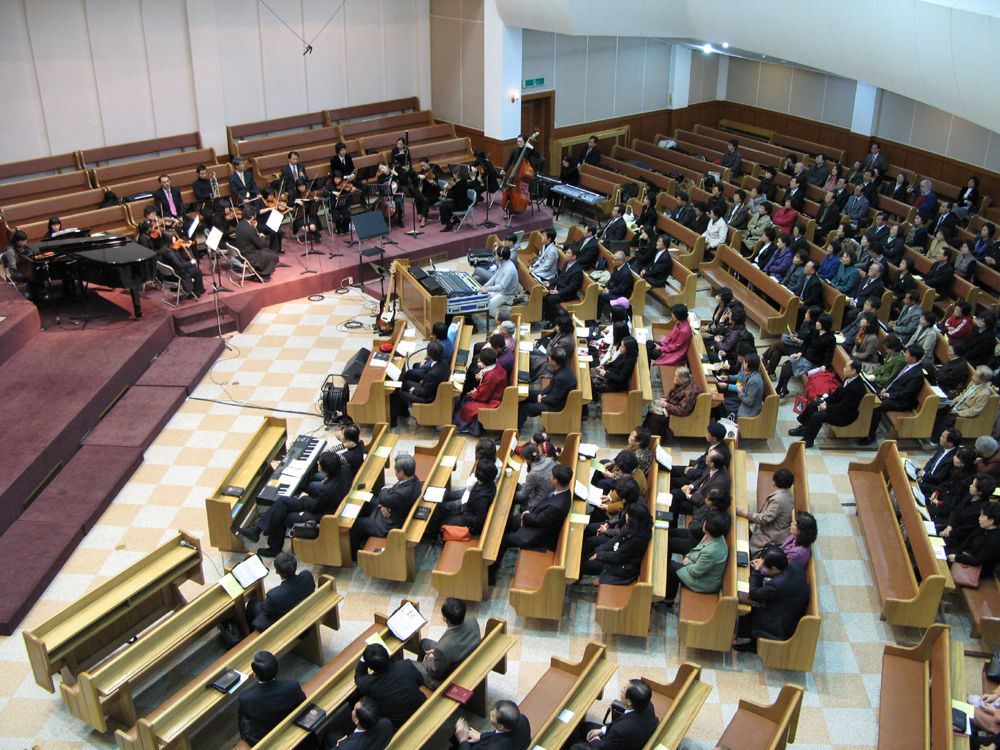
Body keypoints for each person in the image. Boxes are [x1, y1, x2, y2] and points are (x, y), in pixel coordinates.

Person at [239, 452, 351, 555]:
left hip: (320, 515)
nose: (318, 464)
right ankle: (257, 530)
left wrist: (304, 497)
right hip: (328, 504)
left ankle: (274, 549)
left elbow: (313, 507)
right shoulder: (344, 470)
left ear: (325, 470)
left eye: (319, 463)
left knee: (283, 516)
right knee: (283, 502)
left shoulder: (326, 490)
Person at [491, 463, 573, 583]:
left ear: (555, 481)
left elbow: (539, 521)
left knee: (503, 540)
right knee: (507, 521)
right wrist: (528, 512)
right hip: (533, 520)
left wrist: (526, 515)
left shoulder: (558, 506)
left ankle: (490, 576)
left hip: (536, 534)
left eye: (552, 475)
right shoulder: (563, 492)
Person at [734, 547, 810, 653]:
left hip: (784, 618)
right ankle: (744, 635)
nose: (764, 568)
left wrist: (757, 570)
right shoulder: (796, 566)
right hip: (793, 605)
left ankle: (754, 645)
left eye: (765, 566)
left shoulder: (777, 584)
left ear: (774, 569)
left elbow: (754, 593)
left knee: (752, 607)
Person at [349, 455, 423, 555]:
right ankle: (364, 534)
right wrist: (384, 504)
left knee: (353, 524)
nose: (395, 472)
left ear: (401, 472)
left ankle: (355, 555)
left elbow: (383, 497)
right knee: (364, 506)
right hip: (390, 509)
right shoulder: (414, 479)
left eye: (395, 469)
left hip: (386, 524)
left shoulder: (402, 493)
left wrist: (385, 488)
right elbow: (385, 499)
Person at [789, 359, 867, 448]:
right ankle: (804, 428)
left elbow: (844, 407)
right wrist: (825, 402)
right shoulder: (849, 378)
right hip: (837, 407)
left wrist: (826, 408)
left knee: (818, 416)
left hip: (845, 415)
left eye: (846, 367)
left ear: (853, 371)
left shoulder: (857, 388)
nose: (844, 369)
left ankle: (808, 440)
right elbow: (836, 393)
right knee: (814, 404)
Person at [859, 344, 927, 445]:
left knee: (876, 406)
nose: (905, 355)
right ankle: (861, 427)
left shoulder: (918, 375)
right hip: (890, 392)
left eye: (907, 354)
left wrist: (889, 395)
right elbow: (893, 378)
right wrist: (885, 387)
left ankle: (871, 436)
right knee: (867, 395)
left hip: (901, 402)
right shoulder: (905, 364)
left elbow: (906, 393)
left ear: (913, 358)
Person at [237, 651, 306, 746]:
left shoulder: (246, 697)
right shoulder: (292, 686)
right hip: (289, 726)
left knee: (243, 711)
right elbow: (302, 702)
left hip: (262, 739)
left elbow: (247, 717)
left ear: (255, 675)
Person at [663, 510, 730, 606]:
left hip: (703, 582)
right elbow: (697, 548)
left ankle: (668, 599)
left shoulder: (710, 552)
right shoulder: (713, 536)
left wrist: (688, 562)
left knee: (671, 567)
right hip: (698, 566)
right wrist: (688, 556)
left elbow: (695, 572)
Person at [353, 643, 426, 729]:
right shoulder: (405, 665)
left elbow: (359, 677)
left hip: (401, 725)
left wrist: (363, 659)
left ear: (370, 667)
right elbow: (420, 681)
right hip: (424, 708)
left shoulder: (369, 685)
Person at [415, 597, 482, 689]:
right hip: (463, 658)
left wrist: (429, 659)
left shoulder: (443, 648)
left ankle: (420, 676)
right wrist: (436, 653)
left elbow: (436, 671)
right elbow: (449, 648)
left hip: (446, 679)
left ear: (445, 619)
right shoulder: (472, 620)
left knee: (409, 665)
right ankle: (420, 678)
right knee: (424, 643)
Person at [582, 502, 653, 585]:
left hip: (622, 567)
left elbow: (617, 557)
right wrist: (599, 551)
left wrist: (599, 556)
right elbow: (617, 538)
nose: (626, 515)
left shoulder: (636, 538)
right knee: (588, 556)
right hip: (616, 553)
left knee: (584, 565)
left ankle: (576, 578)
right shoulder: (633, 526)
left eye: (628, 515)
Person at [428, 459, 498, 541]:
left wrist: (465, 517)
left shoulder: (482, 499)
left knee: (444, 524)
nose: (475, 468)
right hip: (468, 509)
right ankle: (432, 531)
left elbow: (479, 520)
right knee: (443, 509)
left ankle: (437, 537)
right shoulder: (488, 483)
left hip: (469, 520)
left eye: (477, 468)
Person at [245, 552, 315, 631]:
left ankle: (248, 631)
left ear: (277, 572)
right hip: (301, 612)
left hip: (284, 624)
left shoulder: (275, 595)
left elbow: (265, 610)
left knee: (252, 604)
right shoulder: (307, 576)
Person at [582, 679, 658, 750]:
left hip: (615, 744)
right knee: (585, 727)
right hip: (631, 738)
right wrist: (602, 730)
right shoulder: (648, 705)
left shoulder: (620, 730)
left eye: (623, 690)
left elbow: (604, 748)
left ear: (629, 702)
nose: (621, 691)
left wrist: (595, 740)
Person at [775, 313, 836, 398]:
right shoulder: (814, 331)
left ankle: (782, 389)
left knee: (791, 366)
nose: (816, 323)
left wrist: (825, 365)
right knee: (786, 365)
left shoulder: (831, 338)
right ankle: (782, 387)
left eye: (819, 322)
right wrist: (800, 353)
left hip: (814, 361)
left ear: (824, 324)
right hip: (805, 356)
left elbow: (829, 354)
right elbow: (805, 344)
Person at [737, 468, 794, 554]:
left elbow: (765, 518)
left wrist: (746, 514)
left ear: (775, 482)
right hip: (779, 526)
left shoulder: (777, 499)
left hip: (772, 532)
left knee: (742, 531)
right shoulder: (788, 493)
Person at [931, 366, 996, 441]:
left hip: (962, 412)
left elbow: (975, 410)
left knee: (946, 420)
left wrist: (959, 413)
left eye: (975, 375)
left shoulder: (984, 393)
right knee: (939, 410)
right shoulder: (973, 383)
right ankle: (930, 433)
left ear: (982, 381)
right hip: (957, 405)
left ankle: (934, 441)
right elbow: (964, 393)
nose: (973, 376)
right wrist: (956, 399)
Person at [518, 347, 576, 427]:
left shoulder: (561, 378)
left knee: (524, 408)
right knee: (526, 394)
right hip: (552, 396)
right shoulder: (562, 368)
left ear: (554, 362)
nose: (548, 358)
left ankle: (516, 428)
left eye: (550, 357)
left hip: (555, 406)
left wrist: (542, 399)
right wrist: (541, 393)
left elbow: (554, 400)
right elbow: (551, 385)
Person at [455, 347, 508, 436]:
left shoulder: (491, 376)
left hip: (494, 400)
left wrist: (475, 393)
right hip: (491, 394)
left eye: (480, 359)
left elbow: (483, 396)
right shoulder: (496, 366)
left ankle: (463, 427)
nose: (479, 360)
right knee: (466, 398)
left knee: (467, 406)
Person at [670, 423, 730, 490]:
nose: (706, 435)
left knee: (671, 481)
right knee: (670, 468)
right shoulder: (716, 444)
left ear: (714, 438)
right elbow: (703, 457)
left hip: (698, 480)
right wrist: (692, 465)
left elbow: (707, 473)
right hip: (697, 470)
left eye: (708, 433)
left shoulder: (718, 455)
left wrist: (690, 471)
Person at [671, 450, 730, 516]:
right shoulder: (715, 466)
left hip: (700, 506)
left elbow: (706, 501)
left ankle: (670, 520)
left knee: (675, 503)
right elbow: (702, 478)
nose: (706, 456)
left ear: (712, 464)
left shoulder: (718, 484)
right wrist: (691, 486)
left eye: (708, 456)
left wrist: (689, 496)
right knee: (674, 493)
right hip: (698, 491)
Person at [454, 700, 530, 750]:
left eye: (493, 715)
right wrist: (481, 736)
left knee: (461, 737)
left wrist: (463, 739)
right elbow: (498, 734)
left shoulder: (493, 748)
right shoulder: (522, 719)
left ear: (500, 726)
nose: (490, 713)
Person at [324, 696, 394, 750]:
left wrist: (337, 746)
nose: (353, 711)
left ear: (357, 721)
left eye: (354, 710)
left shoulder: (346, 747)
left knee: (330, 736)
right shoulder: (386, 724)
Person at [542, 246, 584, 324]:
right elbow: (560, 277)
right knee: (544, 291)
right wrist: (550, 283)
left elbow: (572, 288)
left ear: (574, 256)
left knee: (550, 299)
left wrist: (558, 292)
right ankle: (545, 316)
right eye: (566, 252)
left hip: (567, 294)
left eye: (568, 253)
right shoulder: (566, 263)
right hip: (560, 287)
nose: (566, 254)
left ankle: (553, 321)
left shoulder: (577, 271)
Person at [235, 208, 280, 280]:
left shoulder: (239, 225)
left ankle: (262, 271)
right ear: (252, 217)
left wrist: (254, 228)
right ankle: (262, 273)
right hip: (250, 255)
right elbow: (260, 244)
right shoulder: (250, 229)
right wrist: (262, 236)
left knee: (268, 251)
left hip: (243, 251)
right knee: (274, 256)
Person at [918, 428, 964, 496]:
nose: (940, 438)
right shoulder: (942, 447)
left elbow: (939, 478)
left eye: (943, 437)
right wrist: (924, 471)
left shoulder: (952, 459)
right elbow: (932, 460)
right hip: (929, 476)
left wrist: (924, 475)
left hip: (935, 485)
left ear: (950, 443)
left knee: (915, 486)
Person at [481, 245, 520, 318]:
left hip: (506, 295)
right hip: (499, 291)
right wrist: (484, 287)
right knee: (481, 296)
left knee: (489, 307)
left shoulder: (509, 270)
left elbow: (502, 287)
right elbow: (494, 277)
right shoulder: (502, 263)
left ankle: (507, 317)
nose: (495, 255)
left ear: (501, 257)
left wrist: (487, 289)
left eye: (496, 254)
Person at [514, 442, 556, 510]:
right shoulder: (550, 460)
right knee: (516, 485)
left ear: (526, 458)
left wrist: (508, 494)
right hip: (550, 495)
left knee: (512, 496)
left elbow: (522, 496)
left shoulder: (534, 474)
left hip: (538, 503)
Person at [597, 251, 634, 321]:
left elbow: (622, 289)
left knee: (601, 297)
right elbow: (611, 279)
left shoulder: (626, 274)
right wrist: (606, 287)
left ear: (621, 261)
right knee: (598, 292)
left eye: (614, 260)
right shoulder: (616, 267)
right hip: (614, 290)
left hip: (621, 295)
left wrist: (609, 291)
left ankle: (597, 318)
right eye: (612, 259)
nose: (612, 261)